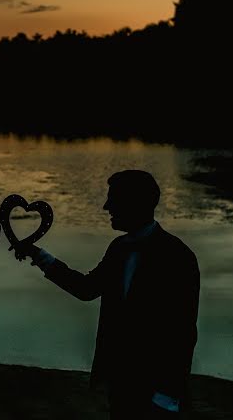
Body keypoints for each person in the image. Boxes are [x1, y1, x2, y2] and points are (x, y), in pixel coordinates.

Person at [15, 170, 200, 419]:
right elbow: (87, 289)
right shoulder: (118, 249)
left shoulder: (178, 257)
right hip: (121, 382)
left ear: (134, 204)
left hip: (158, 392)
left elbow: (183, 332)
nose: (106, 206)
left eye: (114, 200)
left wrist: (167, 394)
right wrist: (38, 256)